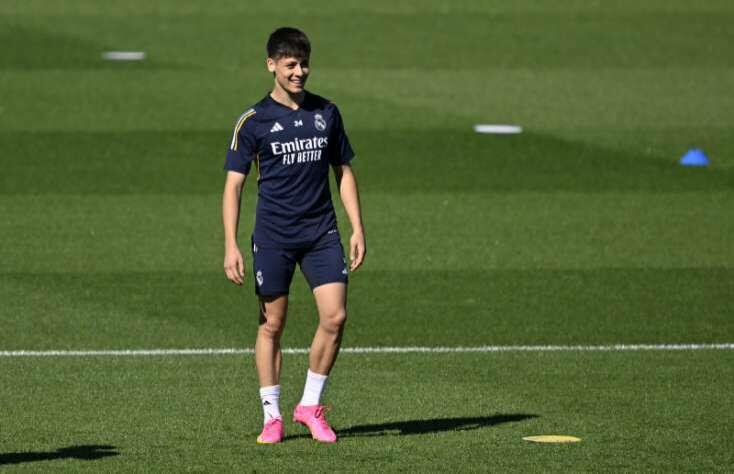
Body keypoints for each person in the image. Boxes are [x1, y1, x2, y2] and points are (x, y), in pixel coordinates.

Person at [222, 27, 366, 445]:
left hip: (321, 232)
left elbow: (343, 172)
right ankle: (272, 416)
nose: (299, 72)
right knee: (273, 324)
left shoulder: (327, 113)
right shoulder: (253, 121)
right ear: (271, 65)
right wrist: (231, 244)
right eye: (290, 65)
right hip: (274, 237)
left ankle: (309, 405)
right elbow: (233, 186)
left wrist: (357, 227)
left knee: (335, 316)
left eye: (304, 64)